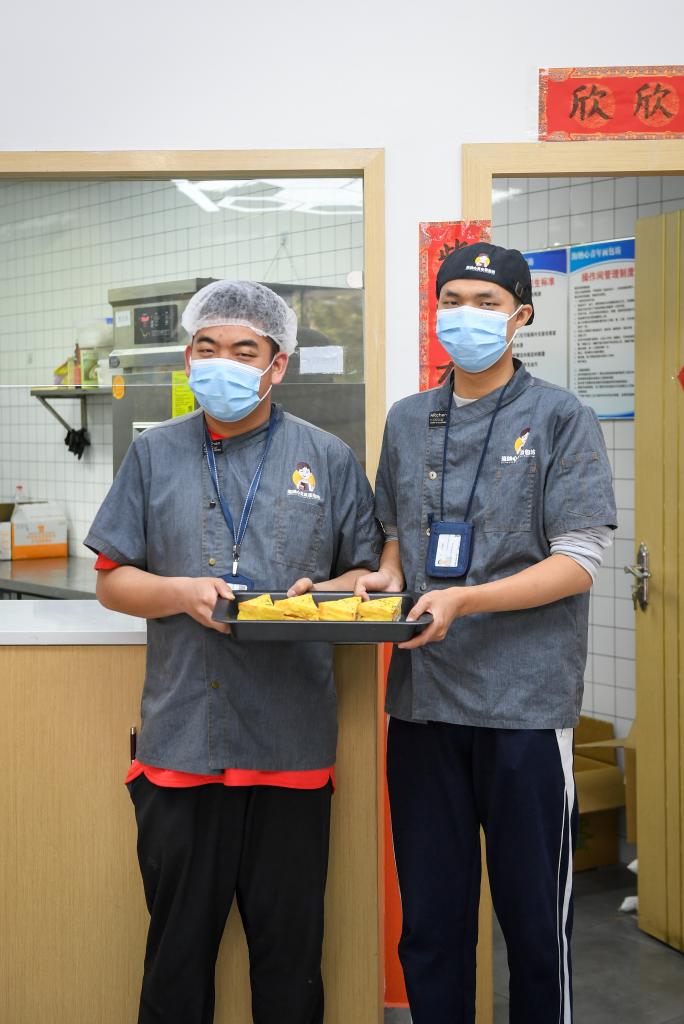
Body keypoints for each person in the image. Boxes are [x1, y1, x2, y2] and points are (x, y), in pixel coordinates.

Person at [85, 280, 383, 1024]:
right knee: (175, 962)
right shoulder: (153, 453)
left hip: (291, 748)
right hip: (182, 745)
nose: (222, 363)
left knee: (291, 964)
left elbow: (370, 576)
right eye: (207, 348)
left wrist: (326, 591)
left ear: (277, 364)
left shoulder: (327, 457)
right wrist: (181, 593)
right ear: (189, 357)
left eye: (244, 351)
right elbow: (113, 581)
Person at [356, 243, 617, 1024]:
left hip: (524, 710)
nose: (465, 316)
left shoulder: (561, 417)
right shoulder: (408, 421)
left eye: (486, 302)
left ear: (520, 316)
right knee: (431, 925)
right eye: (453, 300)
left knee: (534, 928)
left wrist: (465, 601)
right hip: (424, 706)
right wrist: (384, 579)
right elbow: (396, 537)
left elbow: (578, 560)